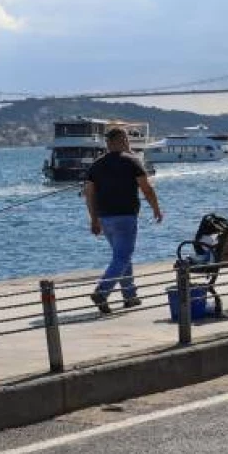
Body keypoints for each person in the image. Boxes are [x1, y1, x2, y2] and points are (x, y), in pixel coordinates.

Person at [84, 126, 163, 314]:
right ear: (121, 141)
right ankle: (102, 292)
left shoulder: (96, 165)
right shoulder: (132, 162)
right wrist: (156, 209)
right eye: (126, 140)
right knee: (122, 257)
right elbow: (147, 189)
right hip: (125, 217)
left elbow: (89, 195)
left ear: (107, 143)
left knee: (121, 256)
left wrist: (94, 220)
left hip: (104, 217)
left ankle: (130, 296)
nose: (128, 143)